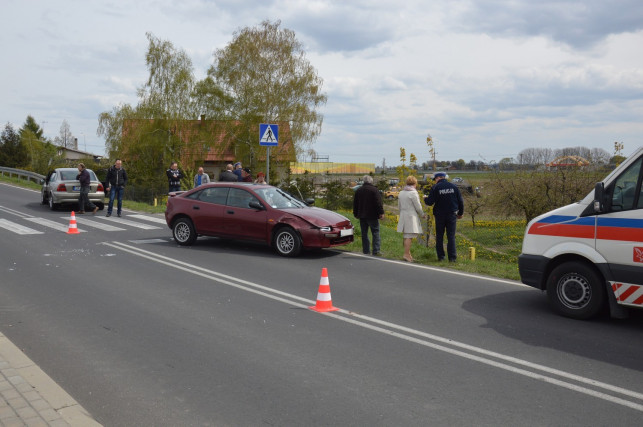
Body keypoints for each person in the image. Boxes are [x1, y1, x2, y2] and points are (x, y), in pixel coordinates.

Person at [424, 172, 464, 262]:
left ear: (437, 178)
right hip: (452, 214)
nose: (435, 181)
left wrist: (425, 198)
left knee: (439, 236)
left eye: (435, 180)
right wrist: (460, 213)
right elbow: (460, 201)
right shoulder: (454, 187)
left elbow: (430, 202)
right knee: (451, 236)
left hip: (440, 215)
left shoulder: (435, 187)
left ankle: (441, 257)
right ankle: (452, 258)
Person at [353, 175, 385, 256]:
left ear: (364, 181)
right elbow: (378, 203)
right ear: (371, 181)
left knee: (364, 233)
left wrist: (355, 213)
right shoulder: (374, 190)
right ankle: (376, 250)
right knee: (375, 232)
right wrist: (381, 213)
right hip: (372, 215)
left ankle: (366, 250)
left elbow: (355, 203)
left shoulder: (359, 190)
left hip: (362, 215)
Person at [397, 175, 425, 262]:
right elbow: (418, 206)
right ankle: (406, 254)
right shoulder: (413, 193)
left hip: (403, 215)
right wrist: (422, 214)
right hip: (411, 216)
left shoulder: (401, 192)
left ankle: (408, 254)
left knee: (406, 236)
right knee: (409, 236)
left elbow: (399, 206)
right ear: (415, 183)